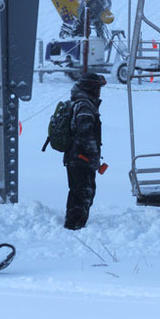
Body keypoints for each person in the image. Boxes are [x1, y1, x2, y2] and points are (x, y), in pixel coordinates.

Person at [63, 72, 106, 230]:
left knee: (78, 191)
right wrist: (93, 155)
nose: (100, 91)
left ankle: (74, 223)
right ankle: (75, 226)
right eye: (98, 88)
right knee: (83, 192)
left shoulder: (82, 103)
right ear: (91, 88)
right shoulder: (85, 106)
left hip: (76, 157)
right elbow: (85, 133)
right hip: (81, 158)